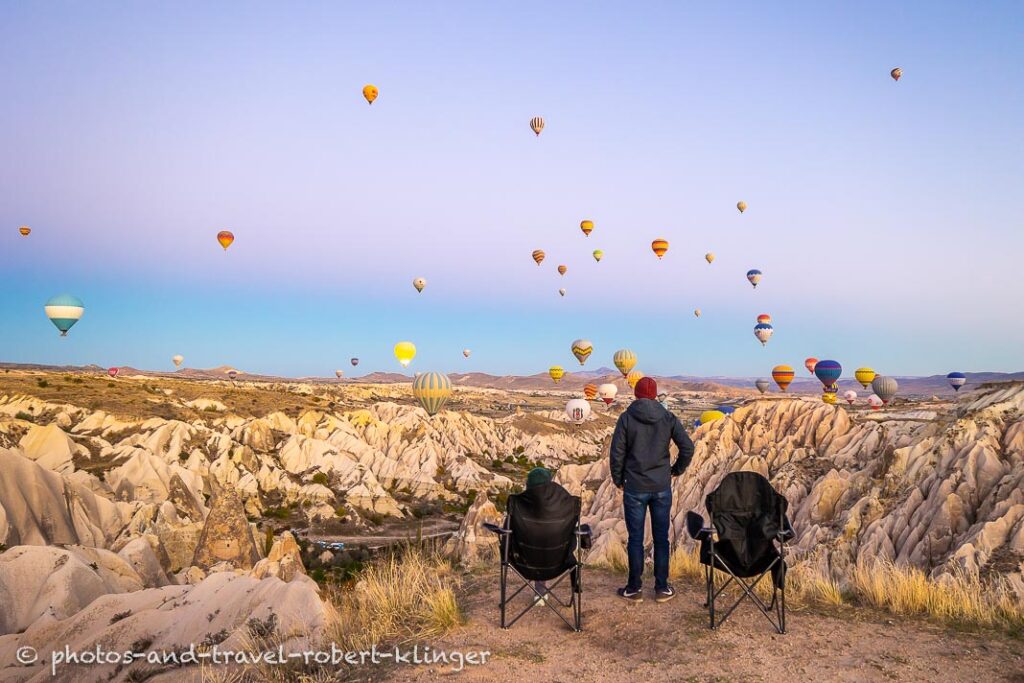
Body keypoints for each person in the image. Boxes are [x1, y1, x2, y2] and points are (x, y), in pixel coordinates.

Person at [610, 376, 694, 603]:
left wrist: (618, 479)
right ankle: (662, 588)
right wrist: (675, 470)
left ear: (636, 394)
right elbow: (687, 447)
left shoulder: (626, 418)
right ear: (656, 395)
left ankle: (634, 588)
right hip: (661, 486)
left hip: (635, 486)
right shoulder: (668, 418)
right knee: (661, 539)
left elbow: (617, 452)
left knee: (635, 538)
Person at [525, 467, 555, 604]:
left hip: (523, 559)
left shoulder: (518, 506)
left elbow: (508, 530)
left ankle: (539, 592)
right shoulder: (562, 506)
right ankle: (541, 591)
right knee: (544, 547)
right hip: (559, 560)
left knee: (537, 549)